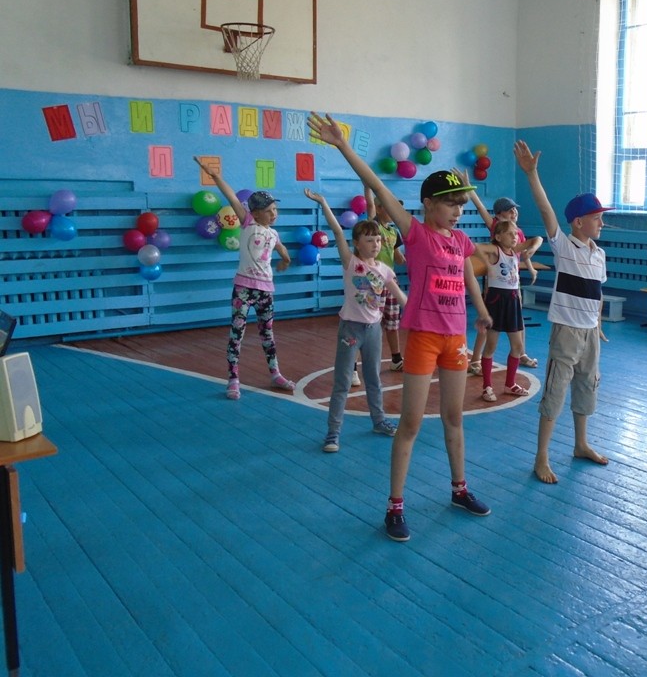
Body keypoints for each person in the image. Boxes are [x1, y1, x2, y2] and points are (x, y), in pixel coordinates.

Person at [307, 112, 493, 543]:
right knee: (410, 422)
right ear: (428, 204)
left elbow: (470, 269)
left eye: (461, 204)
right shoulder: (415, 232)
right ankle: (395, 506)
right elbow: (378, 185)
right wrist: (343, 145)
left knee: (453, 418)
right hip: (424, 338)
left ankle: (459, 489)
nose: (457, 211)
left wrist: (483, 307)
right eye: (450, 203)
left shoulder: (460, 241)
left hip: (456, 338)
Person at [513, 140, 611, 484]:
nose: (601, 223)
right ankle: (541, 456)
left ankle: (581, 444)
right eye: (597, 218)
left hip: (589, 333)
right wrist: (532, 175)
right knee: (555, 393)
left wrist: (597, 323)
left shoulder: (599, 254)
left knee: (587, 387)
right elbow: (546, 212)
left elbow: (597, 293)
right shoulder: (565, 246)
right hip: (566, 332)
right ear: (578, 222)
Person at [304, 189, 407, 451]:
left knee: (374, 379)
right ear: (357, 243)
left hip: (373, 331)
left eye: (378, 240)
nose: (375, 244)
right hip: (350, 330)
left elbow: (401, 297)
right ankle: (333, 432)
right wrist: (323, 202)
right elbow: (337, 232)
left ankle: (379, 421)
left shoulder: (385, 270)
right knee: (342, 383)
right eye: (369, 240)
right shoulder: (351, 263)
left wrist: (423, 313)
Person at [193, 157, 294, 400]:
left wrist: (286, 260)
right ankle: (233, 379)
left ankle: (275, 373)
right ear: (255, 213)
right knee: (236, 334)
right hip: (244, 289)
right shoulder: (248, 222)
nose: (273, 214)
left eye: (275, 210)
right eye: (268, 211)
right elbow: (231, 197)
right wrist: (216, 177)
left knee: (267, 334)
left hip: (266, 291)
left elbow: (281, 248)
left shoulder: (273, 233)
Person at [461, 181, 543, 374]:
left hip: (513, 282)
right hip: (498, 284)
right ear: (499, 215)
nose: (514, 211)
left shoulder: (517, 232)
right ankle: (476, 359)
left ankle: (521, 353)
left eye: (515, 209)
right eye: (509, 210)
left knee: (518, 321)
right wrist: (470, 189)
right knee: (490, 323)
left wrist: (530, 267)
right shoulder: (497, 227)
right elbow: (481, 208)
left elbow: (522, 252)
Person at [474, 218, 534, 402]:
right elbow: (474, 247)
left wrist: (532, 249)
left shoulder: (515, 251)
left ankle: (510, 384)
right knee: (491, 345)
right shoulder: (495, 251)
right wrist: (486, 262)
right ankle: (487, 386)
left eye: (516, 233)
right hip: (497, 300)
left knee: (518, 346)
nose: (514, 236)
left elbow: (537, 239)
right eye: (509, 233)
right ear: (498, 236)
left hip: (512, 300)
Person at [365, 185, 407, 372]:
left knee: (392, 321)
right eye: (389, 207)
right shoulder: (374, 227)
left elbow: (397, 256)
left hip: (390, 280)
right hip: (374, 280)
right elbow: (370, 205)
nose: (393, 211)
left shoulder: (393, 232)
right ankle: (355, 367)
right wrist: (367, 187)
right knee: (367, 322)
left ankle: (396, 358)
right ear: (380, 208)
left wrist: (404, 259)